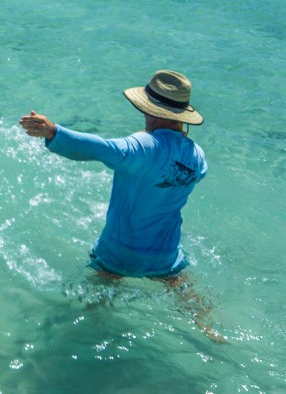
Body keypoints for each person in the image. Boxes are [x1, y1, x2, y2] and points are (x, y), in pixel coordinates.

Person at [19, 70, 207, 278]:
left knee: (94, 306)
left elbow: (102, 148)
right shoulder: (197, 155)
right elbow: (197, 173)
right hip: (165, 258)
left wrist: (54, 132)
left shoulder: (143, 147)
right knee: (190, 300)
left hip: (119, 257)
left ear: (152, 110)